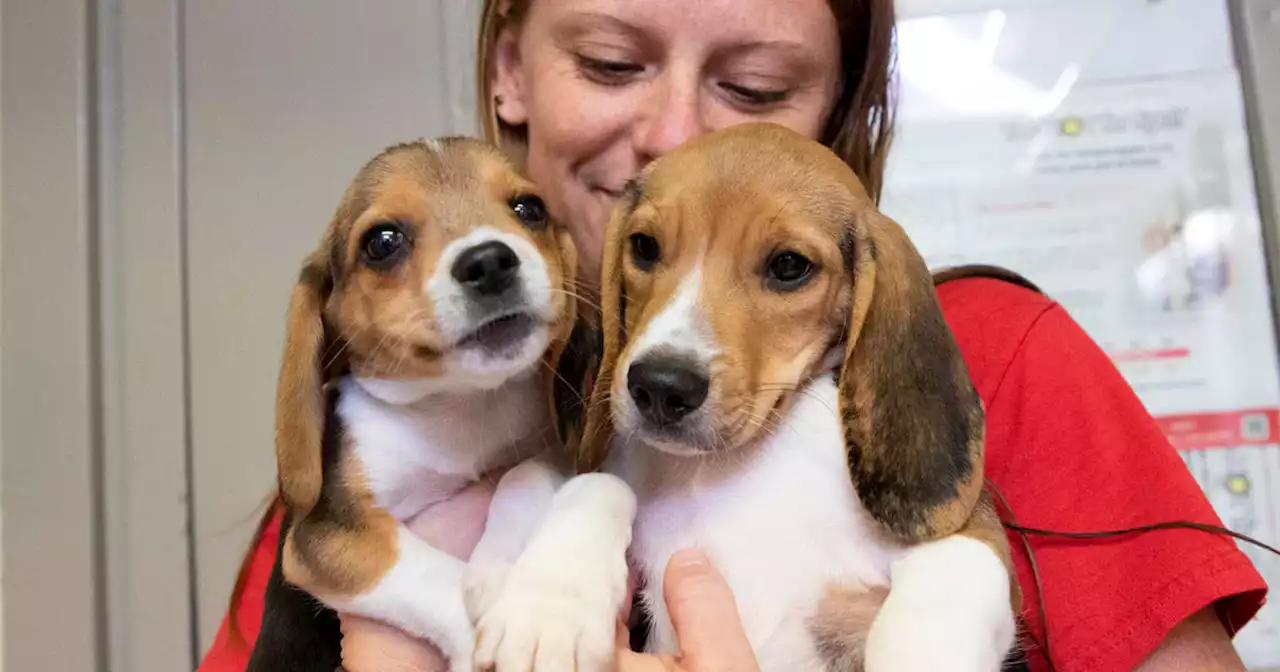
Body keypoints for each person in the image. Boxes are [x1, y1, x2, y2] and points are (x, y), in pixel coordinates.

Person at [198, 1, 1269, 671]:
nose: (674, 135)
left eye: (752, 87)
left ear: (838, 102)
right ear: (510, 67)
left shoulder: (998, 354)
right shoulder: (391, 468)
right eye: (612, 63)